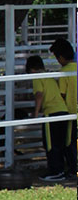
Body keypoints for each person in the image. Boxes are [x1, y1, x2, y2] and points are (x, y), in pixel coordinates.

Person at [26, 54, 73, 182]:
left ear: (31, 69)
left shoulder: (37, 78)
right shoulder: (49, 77)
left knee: (50, 144)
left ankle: (55, 171)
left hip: (52, 113)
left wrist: (36, 113)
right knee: (60, 143)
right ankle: (62, 170)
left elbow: (39, 95)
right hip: (63, 111)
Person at [45, 39, 78, 181]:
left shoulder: (64, 72)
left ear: (61, 57)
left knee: (70, 142)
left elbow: (62, 93)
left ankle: (73, 169)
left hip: (71, 111)